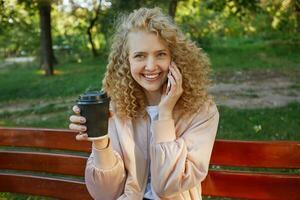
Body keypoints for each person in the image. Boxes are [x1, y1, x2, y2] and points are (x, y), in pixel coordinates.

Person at [69, 7, 219, 200]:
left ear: (175, 57)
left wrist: (164, 114)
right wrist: (100, 142)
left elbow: (167, 187)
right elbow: (105, 194)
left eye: (160, 54)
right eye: (140, 56)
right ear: (127, 61)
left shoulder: (202, 111)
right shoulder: (116, 108)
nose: (150, 66)